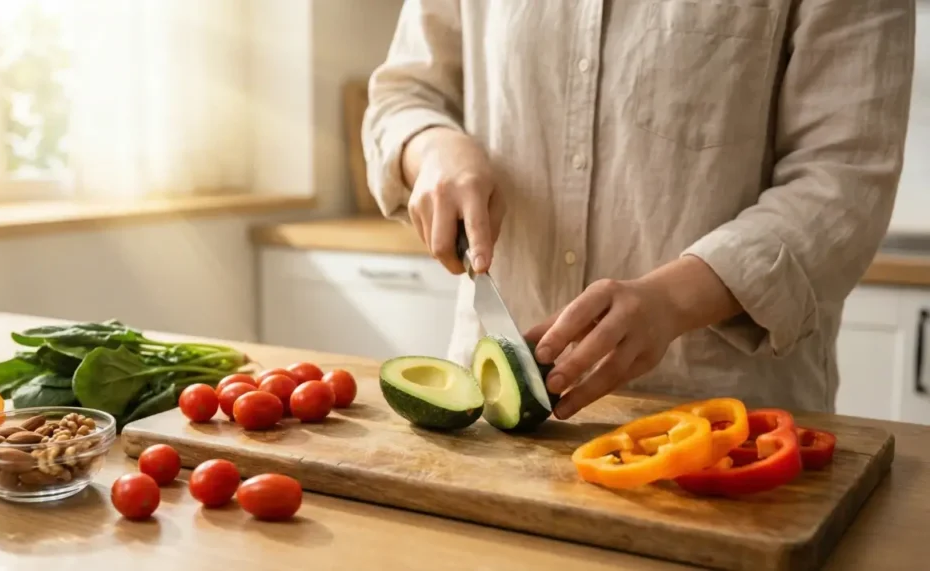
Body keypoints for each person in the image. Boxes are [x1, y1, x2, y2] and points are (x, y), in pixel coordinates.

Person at [361, 0, 915, 420]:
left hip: (720, 423)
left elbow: (844, 179)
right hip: (488, 415)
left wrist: (672, 300)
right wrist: (430, 146)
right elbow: (405, 94)